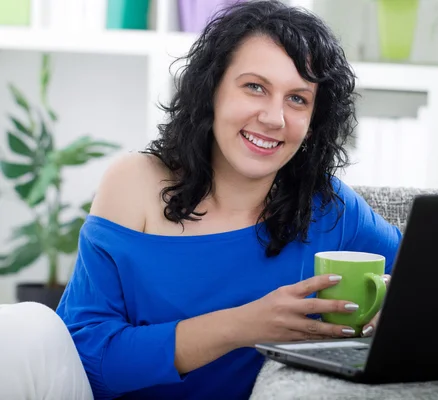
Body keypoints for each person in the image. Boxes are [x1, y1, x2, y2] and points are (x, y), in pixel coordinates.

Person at [0, 1, 402, 399]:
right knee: (23, 327)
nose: (274, 117)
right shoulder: (136, 183)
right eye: (255, 87)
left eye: (298, 99)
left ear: (314, 123)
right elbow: (88, 359)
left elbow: (432, 281)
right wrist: (242, 325)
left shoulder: (330, 209)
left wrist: (399, 308)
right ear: (212, 91)